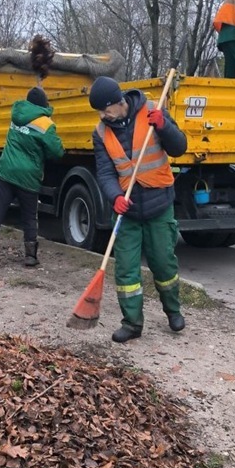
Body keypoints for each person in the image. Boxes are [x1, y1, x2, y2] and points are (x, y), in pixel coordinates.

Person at [88, 75, 188, 343]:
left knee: (164, 264)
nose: (103, 116)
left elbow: (180, 147)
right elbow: (105, 172)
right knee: (126, 271)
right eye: (99, 112)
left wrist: (164, 126)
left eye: (105, 110)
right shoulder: (101, 132)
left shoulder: (153, 110)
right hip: (127, 212)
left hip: (159, 205)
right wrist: (114, 197)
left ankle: (173, 311)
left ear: (118, 102)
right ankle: (132, 323)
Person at [0, 86, 64, 269]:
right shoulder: (45, 124)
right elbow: (57, 152)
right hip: (28, 176)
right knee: (29, 216)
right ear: (43, 104)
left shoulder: (16, 114)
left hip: (6, 171)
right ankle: (30, 255)